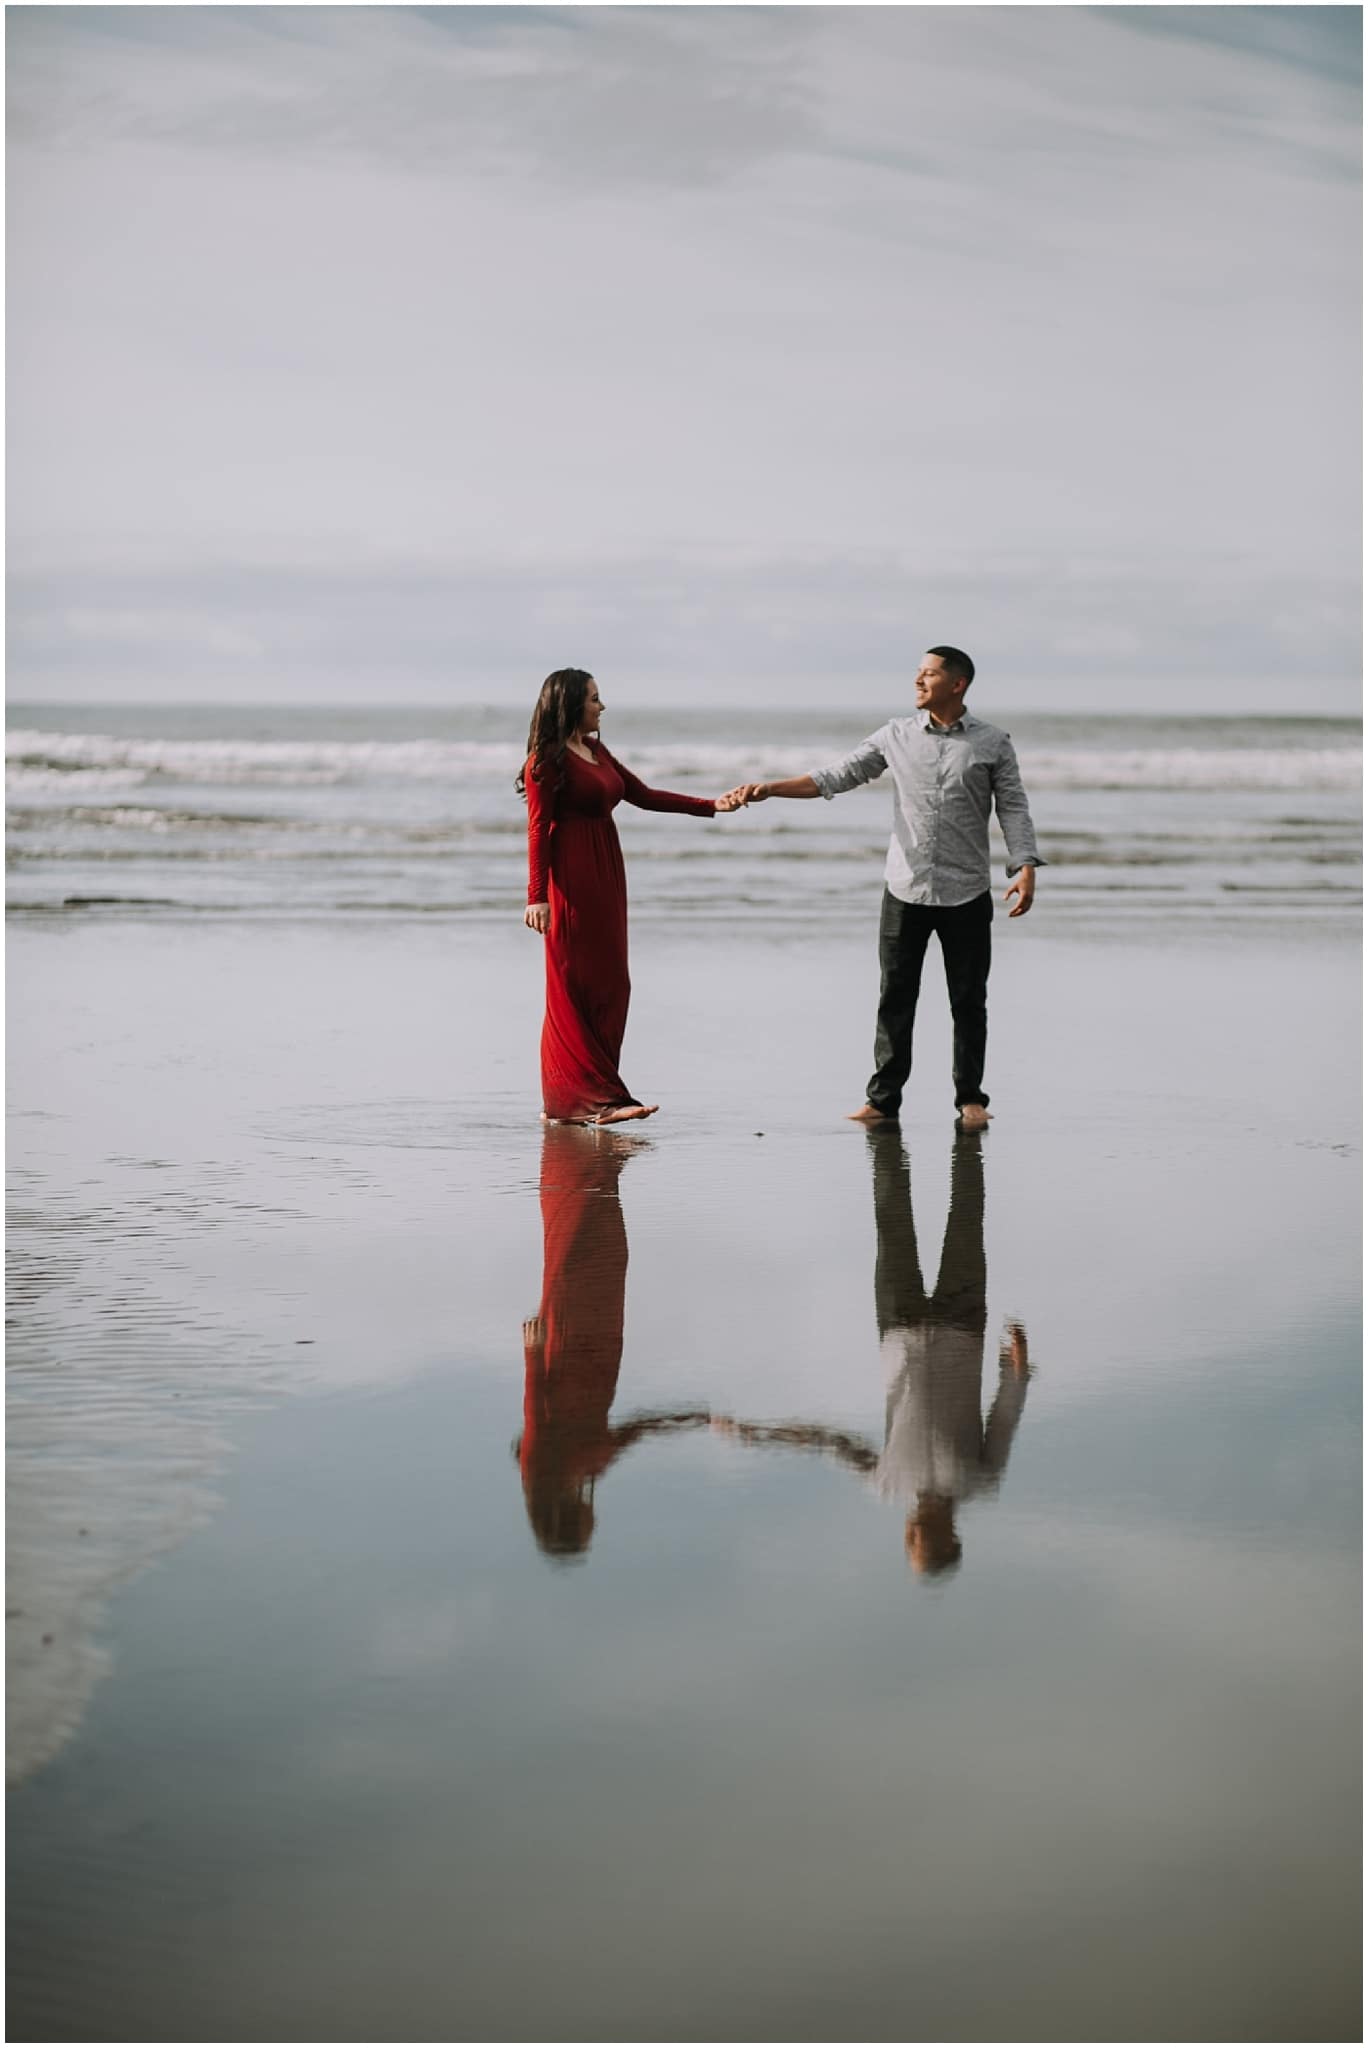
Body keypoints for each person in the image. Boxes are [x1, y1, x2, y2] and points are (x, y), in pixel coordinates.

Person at [722, 647, 1044, 1128]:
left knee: (968, 1001)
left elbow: (1013, 807)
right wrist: (771, 788)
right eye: (917, 672)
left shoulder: (992, 742)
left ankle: (971, 1099)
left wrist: (1024, 864)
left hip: (967, 893)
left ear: (957, 684)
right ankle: (882, 1101)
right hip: (905, 888)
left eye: (929, 674)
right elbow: (837, 776)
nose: (918, 680)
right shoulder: (895, 735)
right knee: (895, 997)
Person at [709, 1128, 1032, 1579]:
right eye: (923, 1545)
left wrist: (756, 1433)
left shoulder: (887, 1484)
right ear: (950, 1539)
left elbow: (826, 1442)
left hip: (898, 1326)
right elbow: (1004, 1417)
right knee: (967, 1216)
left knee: (890, 1219)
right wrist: (1017, 1370)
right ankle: (966, 1144)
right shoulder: (979, 1480)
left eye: (911, 1546)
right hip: (962, 1326)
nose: (911, 1537)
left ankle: (888, 1147)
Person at [519, 668, 742, 1125]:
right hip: (571, 881)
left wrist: (709, 805)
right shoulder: (546, 761)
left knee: (612, 985)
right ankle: (592, 1102)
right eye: (595, 699)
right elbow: (538, 829)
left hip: (607, 878)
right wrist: (536, 896)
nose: (602, 706)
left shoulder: (595, 750)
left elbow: (641, 794)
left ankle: (585, 1097)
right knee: (572, 985)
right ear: (570, 704)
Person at [517, 1123, 710, 1558]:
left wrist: (531, 1354)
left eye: (586, 1531)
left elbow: (534, 1415)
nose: (595, 1524)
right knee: (606, 1237)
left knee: (570, 1241)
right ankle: (603, 1159)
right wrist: (697, 1418)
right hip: (604, 1340)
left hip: (564, 1346)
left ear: (567, 1522)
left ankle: (582, 1154)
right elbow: (640, 1430)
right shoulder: (589, 1471)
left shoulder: (540, 1470)